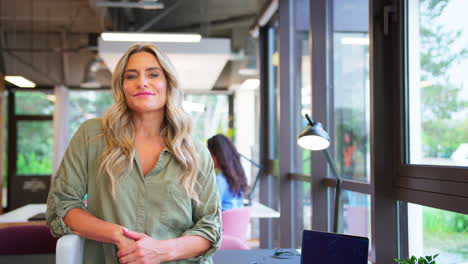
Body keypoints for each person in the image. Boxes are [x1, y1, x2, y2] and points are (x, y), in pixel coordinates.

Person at [46, 43, 222, 264]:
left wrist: (162, 251)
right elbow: (63, 205)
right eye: (131, 76)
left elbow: (210, 226)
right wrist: (118, 235)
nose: (142, 82)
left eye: (153, 74)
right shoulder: (92, 135)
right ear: (122, 86)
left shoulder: (194, 151)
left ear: (168, 82)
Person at [207, 134, 248, 211]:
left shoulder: (220, 180)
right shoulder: (237, 177)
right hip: (238, 222)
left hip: (224, 222)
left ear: (217, 155)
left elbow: (211, 209)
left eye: (209, 154)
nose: (208, 158)